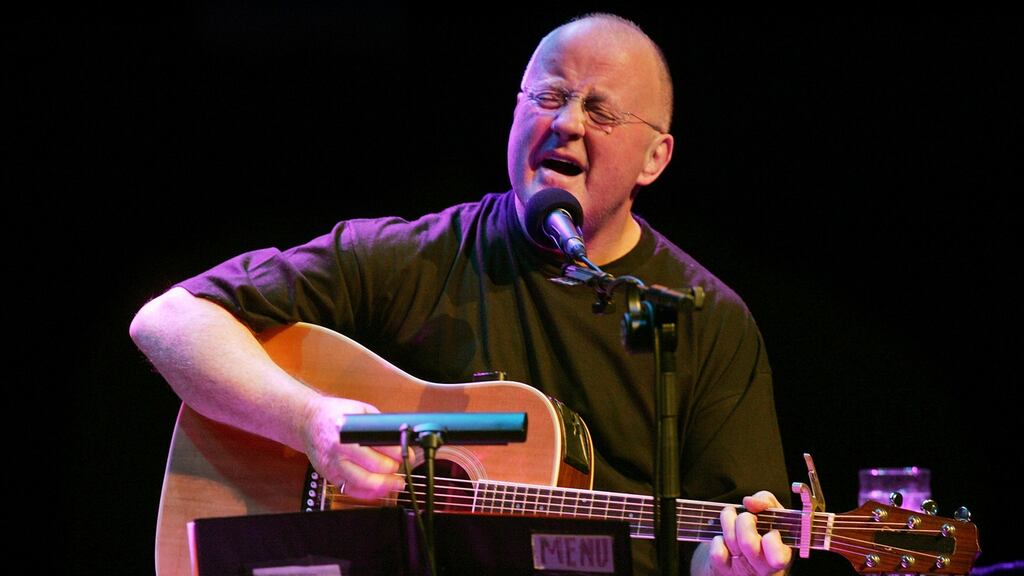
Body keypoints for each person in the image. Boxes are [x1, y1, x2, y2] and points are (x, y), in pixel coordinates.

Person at [131, 13, 792, 576]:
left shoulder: (703, 320)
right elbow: (168, 321)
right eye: (549, 96)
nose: (567, 123)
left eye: (600, 111)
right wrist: (309, 422)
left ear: (655, 158)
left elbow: (721, 543)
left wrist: (731, 565)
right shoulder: (416, 257)